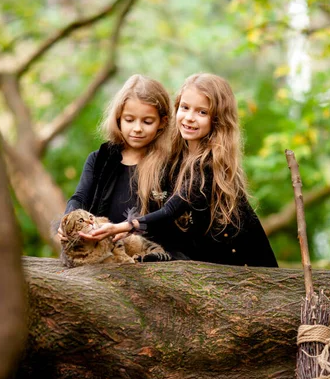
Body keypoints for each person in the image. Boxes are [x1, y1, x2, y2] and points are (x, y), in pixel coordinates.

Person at [80, 73, 278, 268]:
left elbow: (170, 211)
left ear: (217, 119)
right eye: (185, 108)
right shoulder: (177, 158)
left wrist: (124, 226)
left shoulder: (210, 164)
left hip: (243, 263)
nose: (190, 118)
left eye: (202, 112)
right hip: (203, 265)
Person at [58, 73, 184, 257]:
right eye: (129, 120)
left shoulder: (171, 165)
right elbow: (79, 197)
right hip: (106, 257)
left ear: (162, 123)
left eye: (147, 121)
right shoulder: (99, 160)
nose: (137, 128)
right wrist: (66, 220)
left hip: (153, 259)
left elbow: (169, 216)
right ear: (118, 118)